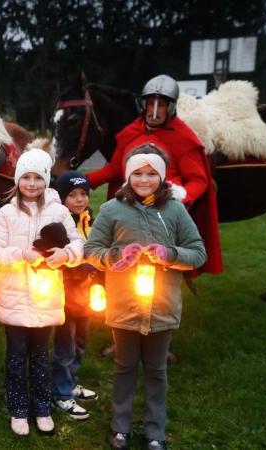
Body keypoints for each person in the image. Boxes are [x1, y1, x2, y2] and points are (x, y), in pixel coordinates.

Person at [84, 145, 206, 450]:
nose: (144, 179)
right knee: (124, 366)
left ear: (162, 177)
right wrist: (116, 256)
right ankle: (120, 427)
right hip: (124, 305)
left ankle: (155, 432)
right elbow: (90, 250)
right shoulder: (112, 209)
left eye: (152, 174)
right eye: (137, 173)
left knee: (156, 370)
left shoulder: (175, 210)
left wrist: (170, 254)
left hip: (162, 306)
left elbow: (198, 253)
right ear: (128, 176)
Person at [0, 149, 83, 436]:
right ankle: (18, 410)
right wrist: (20, 255)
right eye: (26, 177)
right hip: (15, 298)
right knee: (16, 357)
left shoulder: (59, 211)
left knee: (41, 356)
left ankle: (42, 408)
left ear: (46, 181)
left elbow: (79, 245)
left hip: (44, 299)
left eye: (38, 178)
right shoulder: (6, 212)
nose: (32, 184)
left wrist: (64, 255)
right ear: (18, 180)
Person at [84, 74, 221, 275]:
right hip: (129, 202)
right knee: (125, 249)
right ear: (143, 104)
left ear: (171, 107)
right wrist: (83, 181)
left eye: (161, 105)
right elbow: (114, 169)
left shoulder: (183, 137)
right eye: (150, 103)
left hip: (163, 205)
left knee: (159, 258)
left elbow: (199, 179)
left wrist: (182, 196)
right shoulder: (132, 131)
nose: (154, 111)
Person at [49, 170, 102, 420]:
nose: (80, 199)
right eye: (72, 195)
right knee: (65, 346)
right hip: (67, 295)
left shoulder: (89, 219)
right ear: (62, 198)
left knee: (81, 341)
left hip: (87, 293)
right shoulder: (59, 226)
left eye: (84, 194)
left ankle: (71, 382)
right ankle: (61, 393)